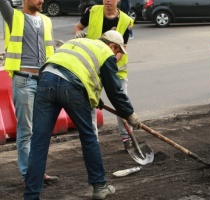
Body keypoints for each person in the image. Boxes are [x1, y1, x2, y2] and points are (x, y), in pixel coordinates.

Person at [24, 30, 142, 199]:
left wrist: (93, 98)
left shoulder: (80, 43)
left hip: (46, 81)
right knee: (88, 137)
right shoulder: (106, 52)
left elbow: (80, 70)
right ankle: (100, 186)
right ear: (112, 46)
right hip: (70, 87)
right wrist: (130, 114)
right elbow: (115, 91)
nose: (117, 56)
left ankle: (31, 196)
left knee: (38, 142)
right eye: (118, 52)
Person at [0, 0, 59, 184]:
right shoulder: (14, 16)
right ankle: (29, 175)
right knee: (26, 130)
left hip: (44, 80)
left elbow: (52, 49)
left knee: (40, 131)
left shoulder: (46, 20)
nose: (41, 0)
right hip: (23, 80)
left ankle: (38, 172)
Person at [74, 0, 135, 150]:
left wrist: (110, 62)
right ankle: (93, 142)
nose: (108, 0)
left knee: (121, 102)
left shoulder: (126, 20)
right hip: (92, 67)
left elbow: (122, 48)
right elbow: (78, 27)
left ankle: (127, 137)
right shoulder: (93, 11)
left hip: (116, 68)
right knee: (91, 104)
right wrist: (78, 34)